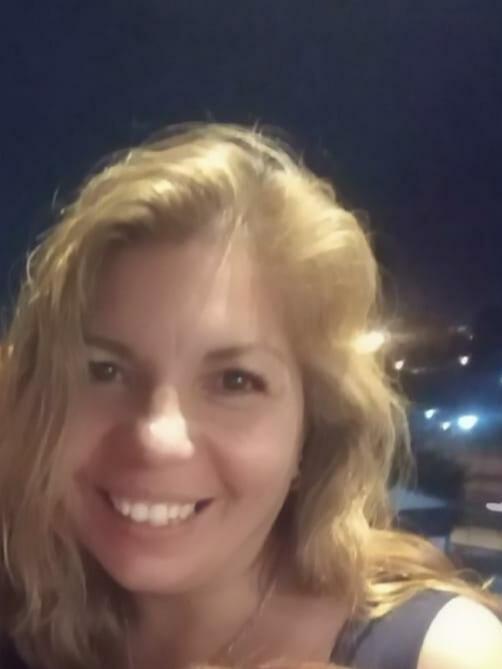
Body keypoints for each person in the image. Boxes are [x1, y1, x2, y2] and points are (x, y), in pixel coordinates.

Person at [0, 123, 501, 669]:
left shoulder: (442, 653)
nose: (156, 436)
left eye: (235, 381)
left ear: (312, 430)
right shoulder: (28, 612)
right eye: (105, 370)